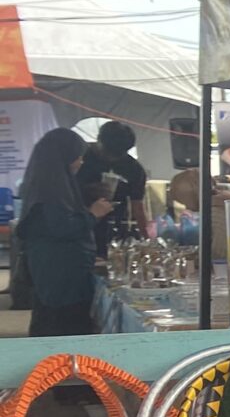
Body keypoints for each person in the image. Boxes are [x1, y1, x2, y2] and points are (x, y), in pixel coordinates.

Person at [15, 127, 113, 336]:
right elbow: (62, 228)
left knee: (50, 320)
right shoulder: (51, 190)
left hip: (56, 268)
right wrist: (93, 214)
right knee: (63, 326)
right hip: (60, 275)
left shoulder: (47, 183)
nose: (81, 162)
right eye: (78, 157)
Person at [77, 121, 147, 255]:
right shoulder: (81, 159)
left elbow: (137, 206)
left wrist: (146, 240)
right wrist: (87, 189)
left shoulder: (134, 169)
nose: (112, 159)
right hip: (80, 225)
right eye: (107, 153)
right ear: (99, 141)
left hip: (115, 228)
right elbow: (63, 190)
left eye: (118, 155)